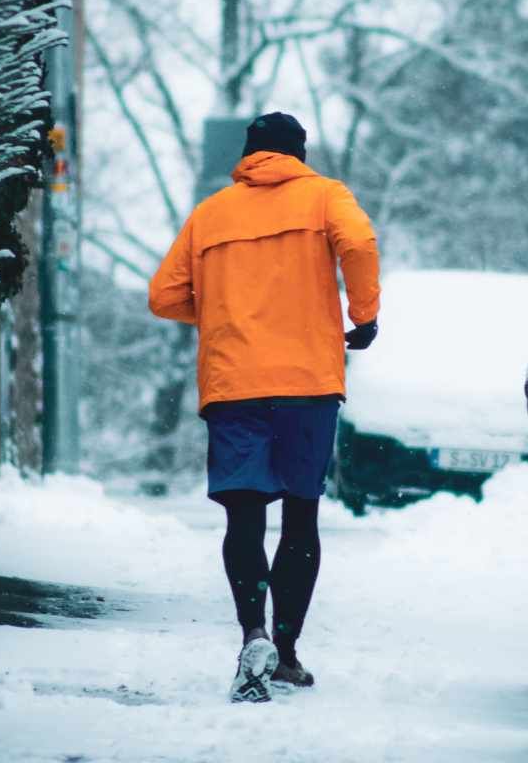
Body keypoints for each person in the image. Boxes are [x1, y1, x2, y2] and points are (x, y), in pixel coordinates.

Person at [148, 112, 381, 703]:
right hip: (306, 382)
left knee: (243, 516)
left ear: (249, 155)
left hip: (235, 383)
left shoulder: (212, 213)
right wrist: (364, 316)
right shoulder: (325, 197)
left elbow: (164, 295)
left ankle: (252, 632)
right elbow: (357, 242)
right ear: (298, 154)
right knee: (301, 515)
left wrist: (228, 315)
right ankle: (287, 652)